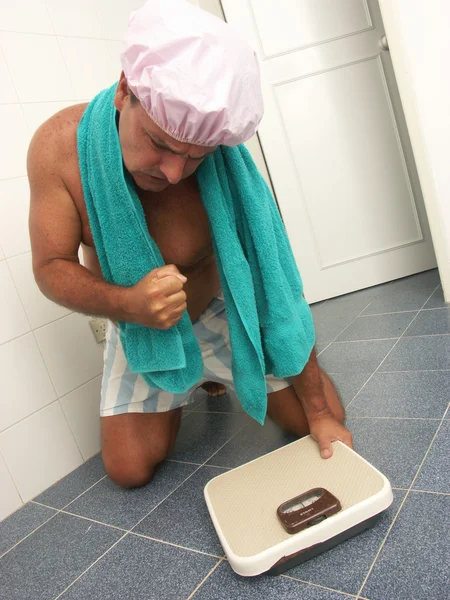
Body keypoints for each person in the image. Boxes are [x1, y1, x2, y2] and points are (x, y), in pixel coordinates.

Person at [28, 0, 352, 489]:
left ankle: (229, 366)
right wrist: (129, 306)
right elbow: (50, 266)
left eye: (194, 157)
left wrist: (320, 410)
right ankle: (192, 380)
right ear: (124, 90)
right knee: (127, 470)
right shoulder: (58, 149)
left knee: (318, 423)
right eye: (160, 144)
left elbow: (272, 279)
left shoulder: (227, 163)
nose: (174, 172)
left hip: (222, 308)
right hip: (139, 324)